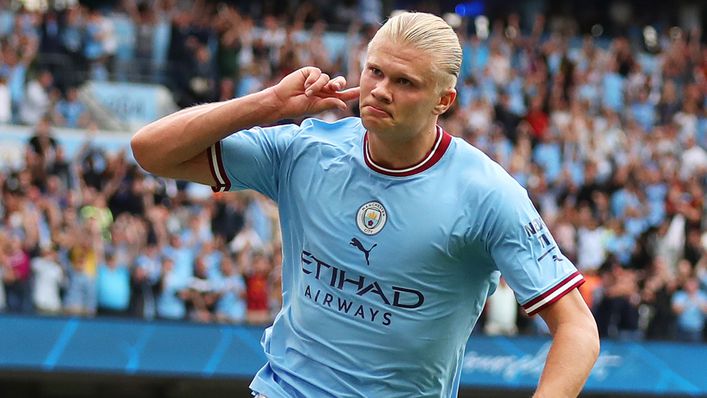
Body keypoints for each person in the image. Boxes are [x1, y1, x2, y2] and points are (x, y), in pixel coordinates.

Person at [131, 12, 599, 398]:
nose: (380, 90)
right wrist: (270, 104)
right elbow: (151, 150)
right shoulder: (307, 150)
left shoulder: (488, 195)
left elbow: (578, 329)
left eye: (405, 82)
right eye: (374, 71)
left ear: (444, 101)